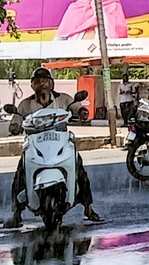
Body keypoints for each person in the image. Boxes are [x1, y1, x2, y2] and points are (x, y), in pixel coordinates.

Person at [7, 67, 103, 227]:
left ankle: (88, 208)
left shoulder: (64, 99)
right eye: (38, 82)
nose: (42, 84)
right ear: (32, 85)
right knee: (20, 175)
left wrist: (82, 112)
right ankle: (16, 214)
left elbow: (76, 107)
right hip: (35, 145)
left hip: (61, 142)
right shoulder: (25, 105)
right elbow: (15, 122)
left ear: (52, 83)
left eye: (45, 81)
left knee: (79, 170)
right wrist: (15, 128)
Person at [55, 0, 129, 43]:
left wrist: (97, 6)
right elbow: (61, 36)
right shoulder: (74, 7)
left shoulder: (113, 5)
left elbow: (120, 33)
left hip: (106, 52)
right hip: (75, 52)